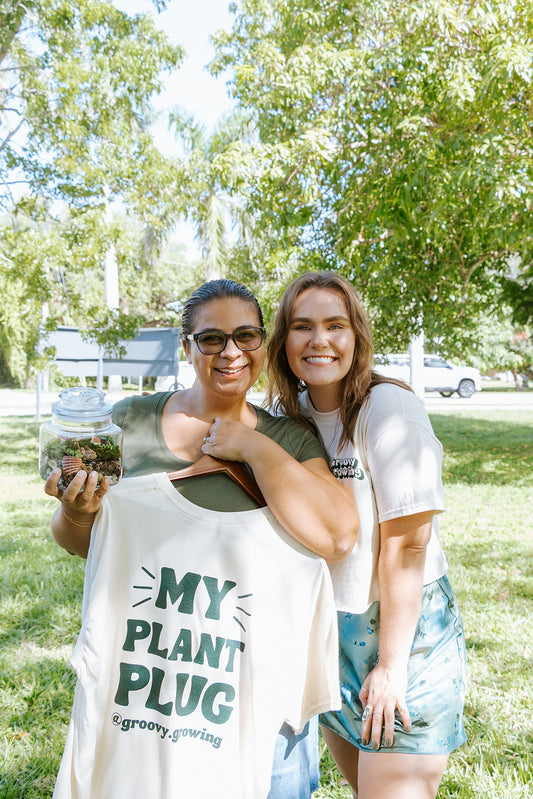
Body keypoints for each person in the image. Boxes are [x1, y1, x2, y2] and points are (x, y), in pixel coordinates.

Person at [45, 278, 359, 799]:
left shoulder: (289, 438)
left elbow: (337, 535)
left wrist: (253, 448)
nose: (231, 352)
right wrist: (77, 510)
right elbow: (82, 542)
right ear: (186, 346)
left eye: (246, 336)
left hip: (257, 694)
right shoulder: (129, 424)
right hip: (150, 688)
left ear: (263, 343)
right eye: (211, 338)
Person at [266, 271, 467, 799]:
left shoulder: (389, 411)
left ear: (357, 336)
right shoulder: (286, 421)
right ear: (283, 340)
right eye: (302, 326)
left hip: (404, 636)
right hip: (331, 636)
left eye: (335, 325)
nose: (319, 340)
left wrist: (391, 667)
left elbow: (408, 545)